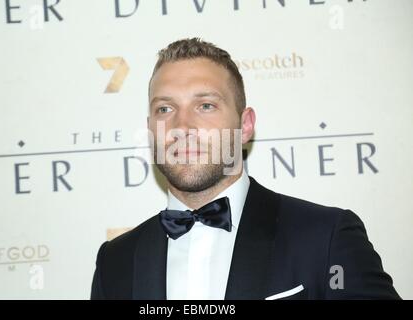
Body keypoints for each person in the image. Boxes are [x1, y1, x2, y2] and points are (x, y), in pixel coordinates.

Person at [91, 38, 400, 300]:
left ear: (245, 125)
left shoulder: (326, 238)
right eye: (165, 109)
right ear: (150, 129)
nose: (182, 126)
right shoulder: (115, 262)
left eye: (206, 106)